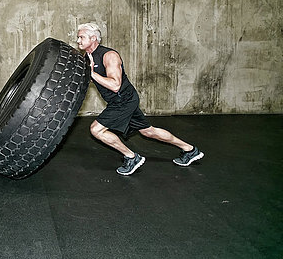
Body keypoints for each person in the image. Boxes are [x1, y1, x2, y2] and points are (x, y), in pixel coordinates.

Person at [76, 23, 204, 175]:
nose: (78, 41)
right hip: (122, 100)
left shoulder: (109, 56)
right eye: (78, 37)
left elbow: (115, 85)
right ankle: (190, 150)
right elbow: (94, 79)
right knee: (149, 132)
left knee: (96, 130)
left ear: (93, 38)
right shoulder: (88, 57)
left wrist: (91, 74)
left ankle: (132, 157)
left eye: (81, 37)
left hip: (123, 100)